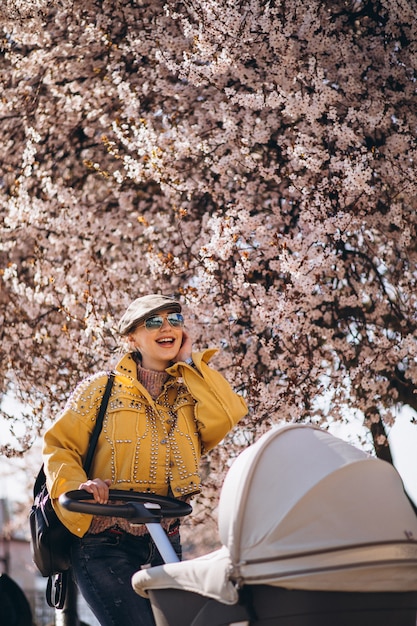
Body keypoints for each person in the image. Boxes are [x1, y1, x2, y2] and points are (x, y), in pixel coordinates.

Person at [42, 294, 248, 626]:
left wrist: (191, 362)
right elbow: (59, 446)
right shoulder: (100, 389)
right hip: (103, 541)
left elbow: (229, 414)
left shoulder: (188, 396)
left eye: (175, 321)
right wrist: (82, 486)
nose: (167, 328)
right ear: (131, 338)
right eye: (154, 322)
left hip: (165, 539)